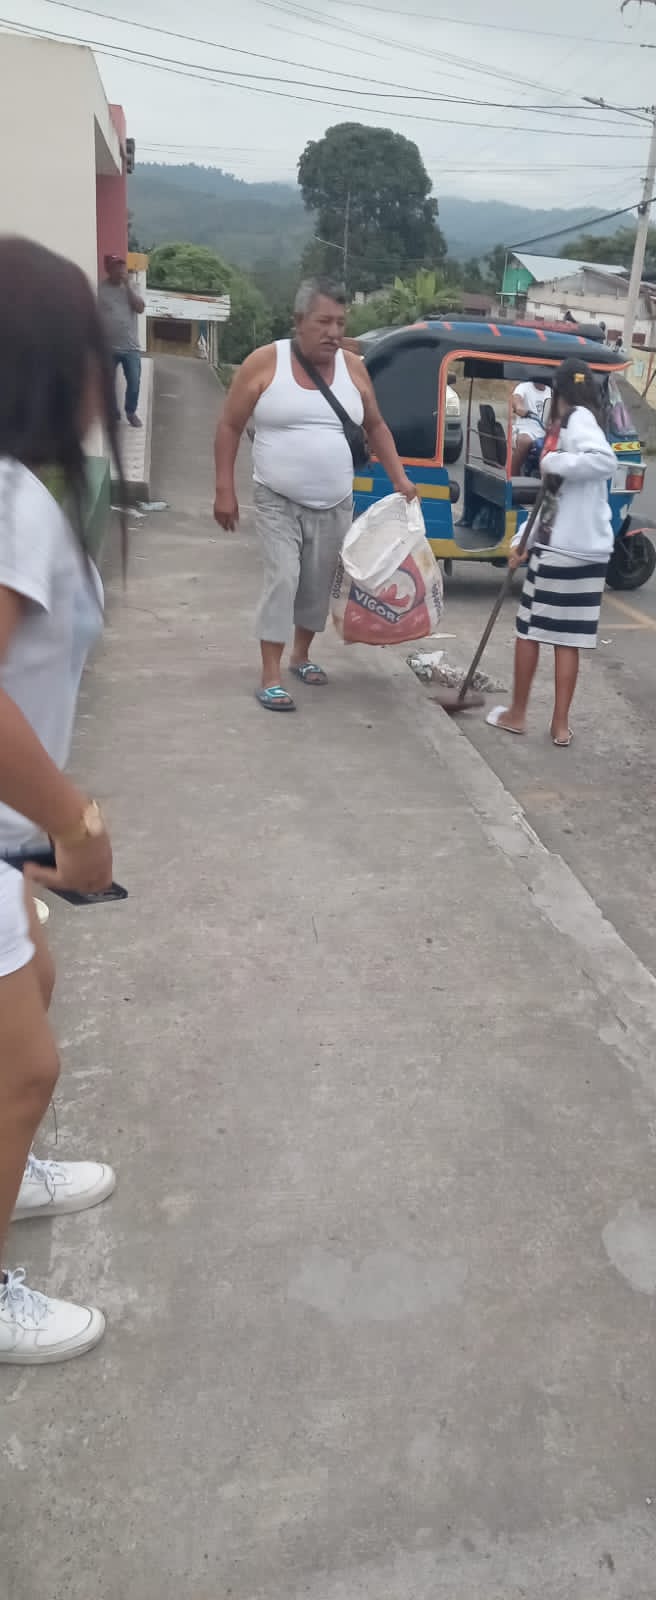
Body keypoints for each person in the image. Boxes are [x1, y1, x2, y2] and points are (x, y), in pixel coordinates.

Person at [0, 236, 120, 1364]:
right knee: (25, 1066)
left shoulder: (25, 492)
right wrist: (76, 825)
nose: (107, 376)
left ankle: (14, 1164)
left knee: (33, 986)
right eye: (94, 351)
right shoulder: (14, 502)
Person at [213, 278, 417, 711]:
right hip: (276, 499)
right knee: (284, 578)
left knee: (317, 585)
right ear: (298, 321)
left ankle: (301, 656)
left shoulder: (353, 368)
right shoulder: (265, 363)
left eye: (340, 323)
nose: (334, 332)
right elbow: (229, 426)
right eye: (324, 322)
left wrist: (400, 478)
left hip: (336, 501)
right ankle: (270, 675)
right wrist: (224, 489)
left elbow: (376, 425)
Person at [486, 357, 617, 748]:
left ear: (559, 393)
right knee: (568, 639)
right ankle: (560, 726)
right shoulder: (580, 423)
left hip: (561, 549)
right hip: (588, 551)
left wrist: (553, 461)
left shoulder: (576, 420)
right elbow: (553, 497)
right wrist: (521, 542)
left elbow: (604, 462)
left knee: (529, 631)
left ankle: (517, 714)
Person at [97, 254, 145, 428]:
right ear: (108, 269)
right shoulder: (100, 289)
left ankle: (130, 412)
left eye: (121, 266)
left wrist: (128, 286)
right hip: (108, 347)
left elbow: (140, 308)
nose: (120, 270)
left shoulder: (132, 286)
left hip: (131, 347)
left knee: (134, 381)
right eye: (115, 266)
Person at [510, 374, 551, 476]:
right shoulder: (523, 387)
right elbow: (517, 398)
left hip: (545, 431)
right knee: (525, 441)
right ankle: (513, 476)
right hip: (525, 429)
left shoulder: (551, 391)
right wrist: (519, 407)